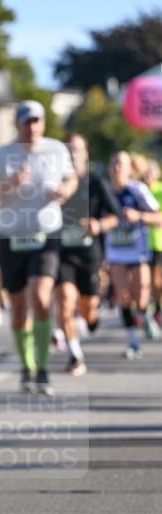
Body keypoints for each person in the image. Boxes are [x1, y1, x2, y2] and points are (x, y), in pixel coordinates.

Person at [0, 100, 77, 396]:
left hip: (45, 234)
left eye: (37, 121)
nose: (33, 127)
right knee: (19, 305)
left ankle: (44, 368)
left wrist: (65, 191)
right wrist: (7, 184)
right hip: (12, 236)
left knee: (41, 297)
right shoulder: (1, 155)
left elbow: (71, 178)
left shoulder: (56, 150)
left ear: (43, 123)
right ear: (17, 125)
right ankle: (27, 367)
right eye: (27, 122)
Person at [55, 134, 120, 375]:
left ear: (86, 154)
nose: (72, 155)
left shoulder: (96, 182)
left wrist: (99, 225)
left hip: (89, 254)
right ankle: (75, 356)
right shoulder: (56, 183)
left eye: (76, 150)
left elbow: (116, 216)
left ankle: (91, 319)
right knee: (63, 302)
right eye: (67, 150)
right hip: (62, 253)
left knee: (87, 307)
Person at [104, 151, 162, 358]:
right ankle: (133, 341)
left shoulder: (137, 190)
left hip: (138, 252)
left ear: (130, 169)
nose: (117, 168)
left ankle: (145, 314)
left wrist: (139, 216)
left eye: (121, 164)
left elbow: (159, 218)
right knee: (123, 297)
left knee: (142, 295)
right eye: (114, 163)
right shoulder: (105, 191)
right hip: (116, 252)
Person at [143, 159, 162, 326]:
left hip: (157, 242)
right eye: (145, 172)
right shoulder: (139, 190)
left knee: (156, 281)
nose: (147, 175)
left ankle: (157, 308)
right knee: (145, 281)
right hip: (140, 244)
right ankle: (148, 311)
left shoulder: (160, 190)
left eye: (151, 172)